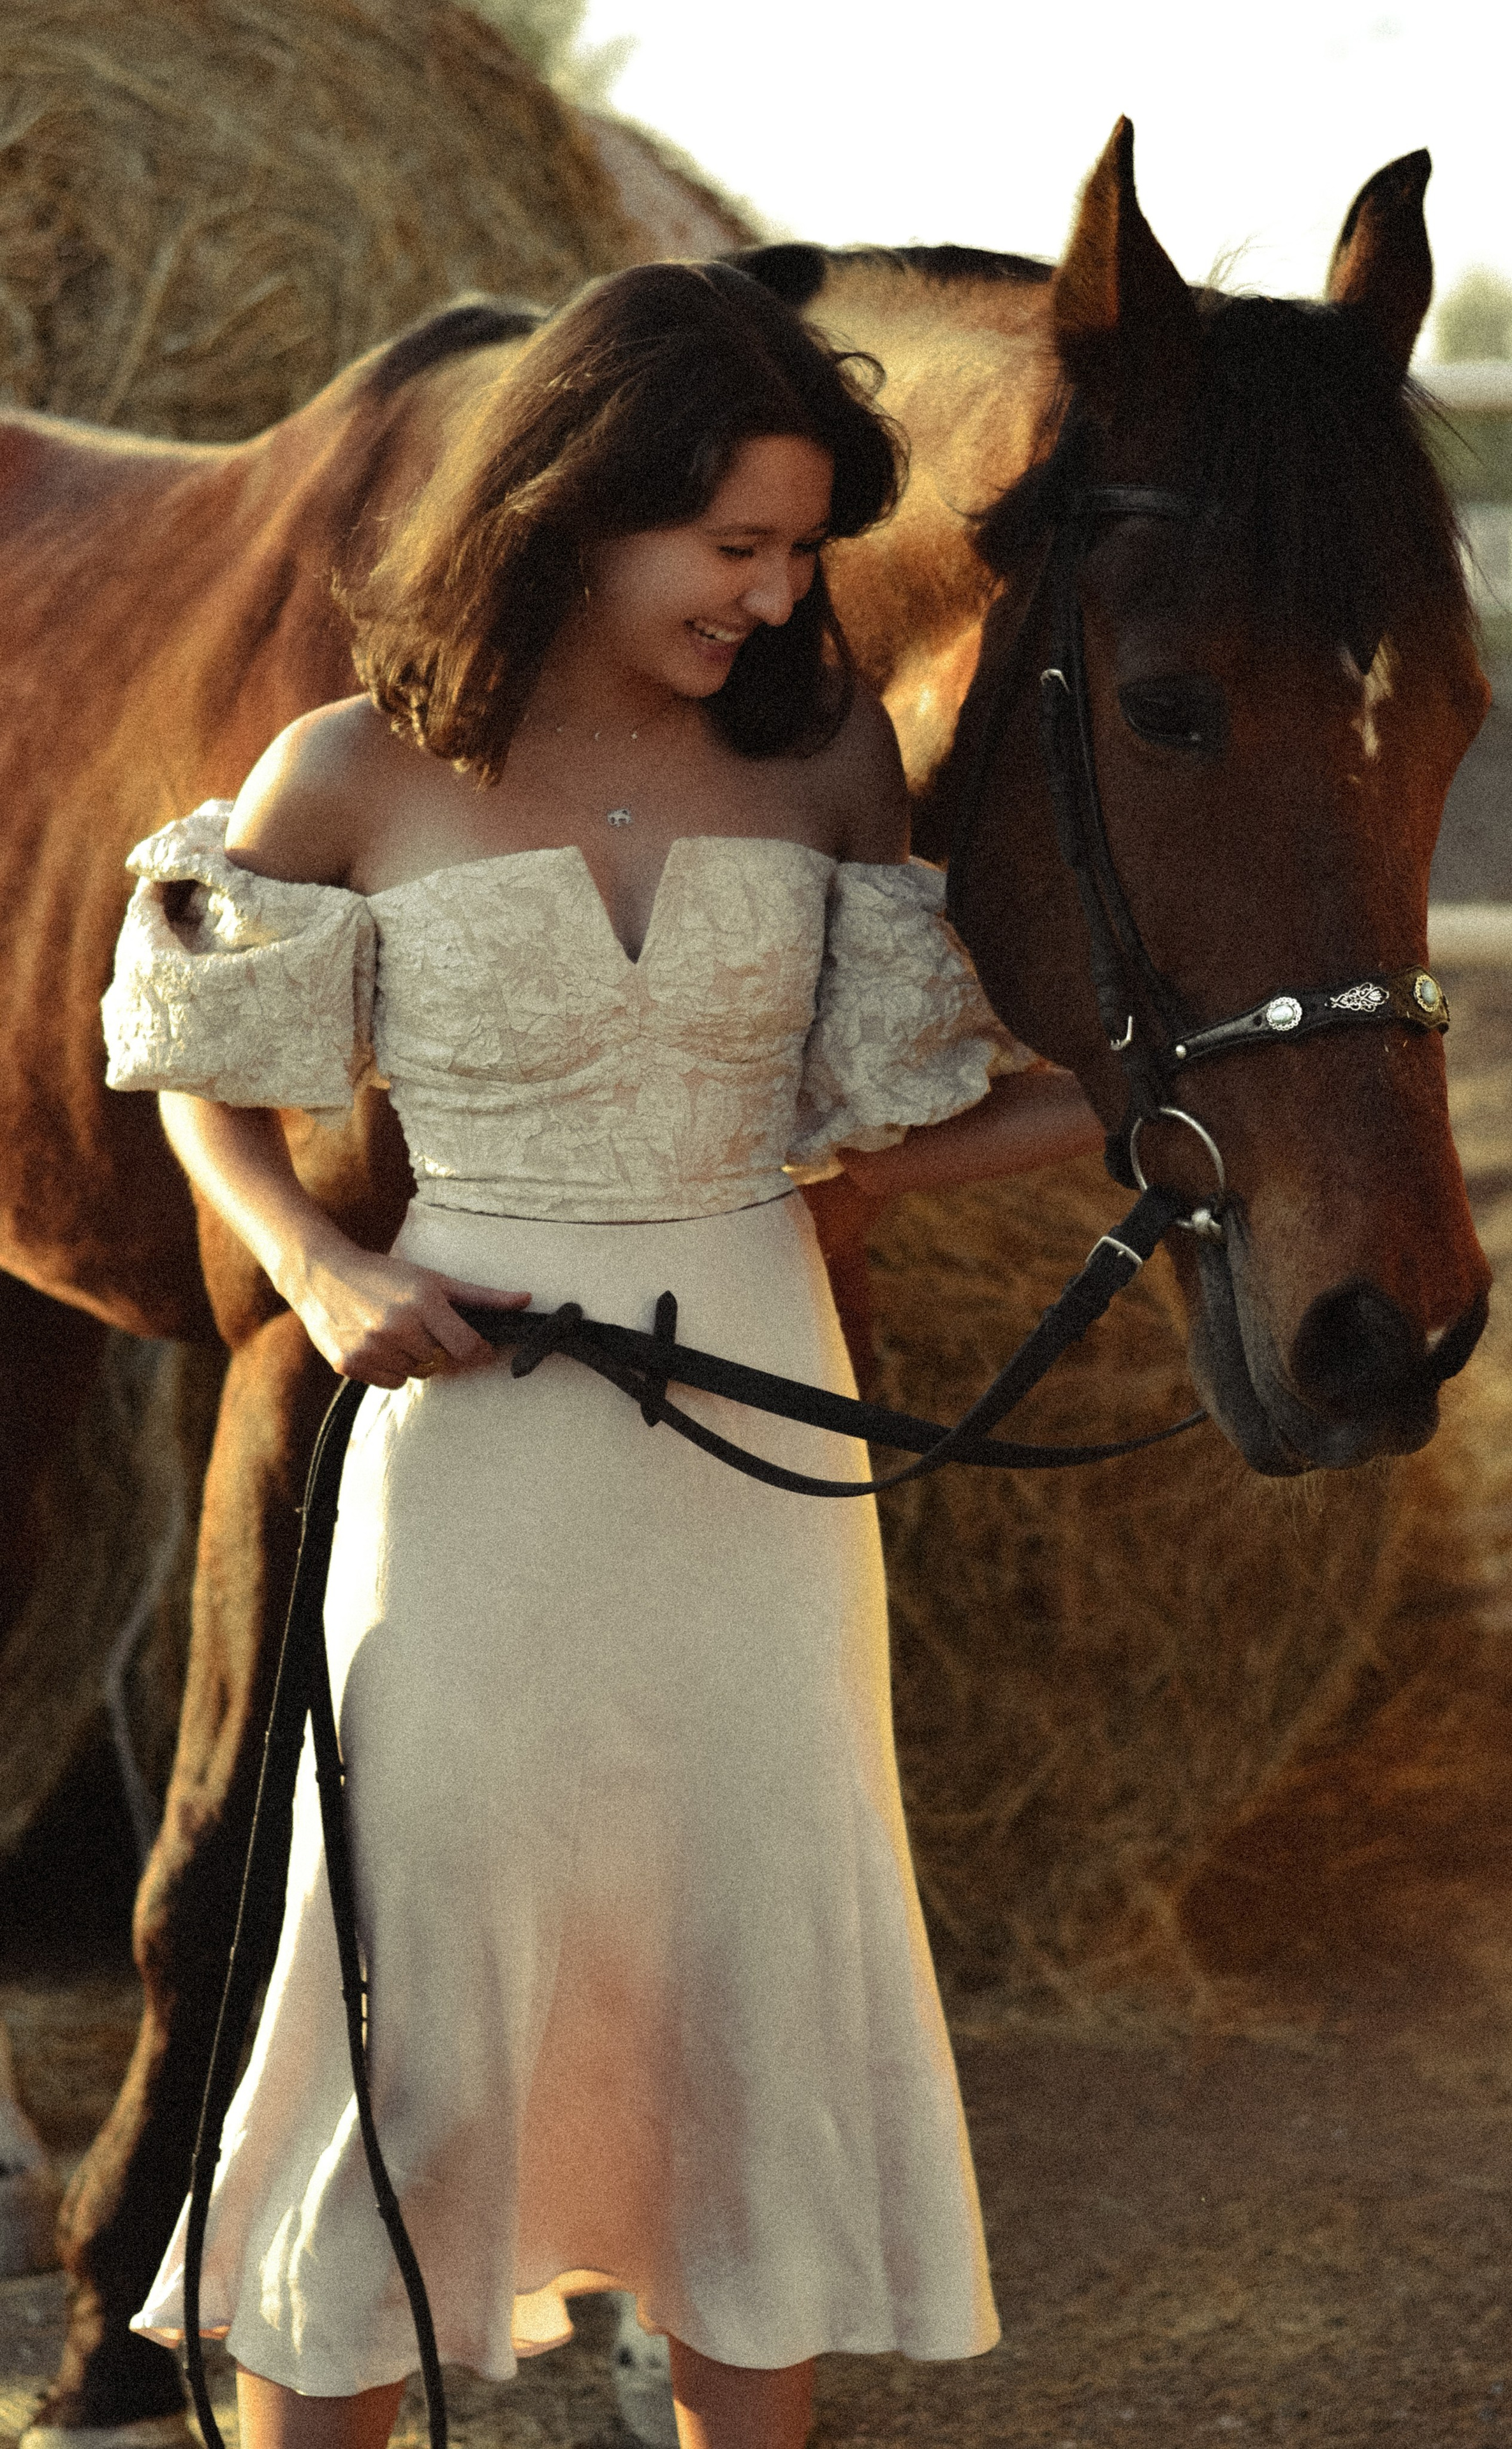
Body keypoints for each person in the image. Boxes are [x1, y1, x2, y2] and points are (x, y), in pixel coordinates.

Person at [101, 260, 1105, 2449]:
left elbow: (880, 1131)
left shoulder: (825, 760)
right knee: (419, 1996)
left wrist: (1161, 1100)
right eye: (733, 543)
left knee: (757, 1988)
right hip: (471, 1447)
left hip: (756, 1438)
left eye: (799, 551)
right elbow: (199, 1071)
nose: (775, 596)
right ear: (578, 501)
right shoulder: (351, 767)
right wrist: (320, 1269)